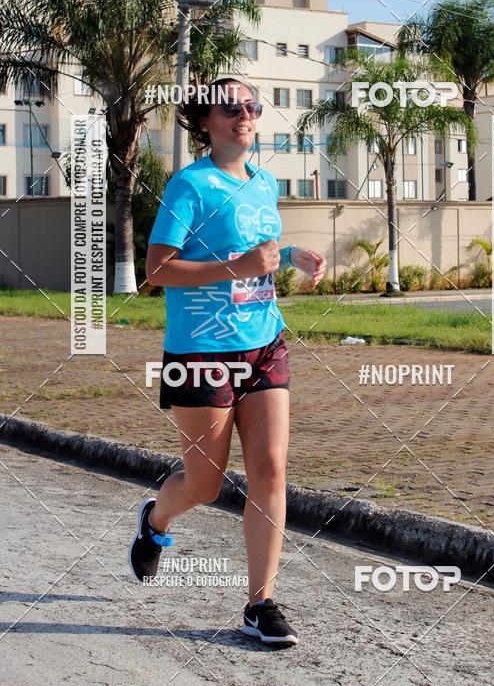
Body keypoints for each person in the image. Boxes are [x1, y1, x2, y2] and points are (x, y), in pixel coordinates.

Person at [128, 75, 326, 646]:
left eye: (251, 106)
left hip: (264, 343)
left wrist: (289, 254)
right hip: (201, 351)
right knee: (205, 485)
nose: (244, 114)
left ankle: (260, 603)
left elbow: (255, 253)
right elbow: (156, 269)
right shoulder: (189, 185)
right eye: (230, 107)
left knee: (270, 468)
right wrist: (238, 267)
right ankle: (155, 520)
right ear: (205, 121)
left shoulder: (264, 183)